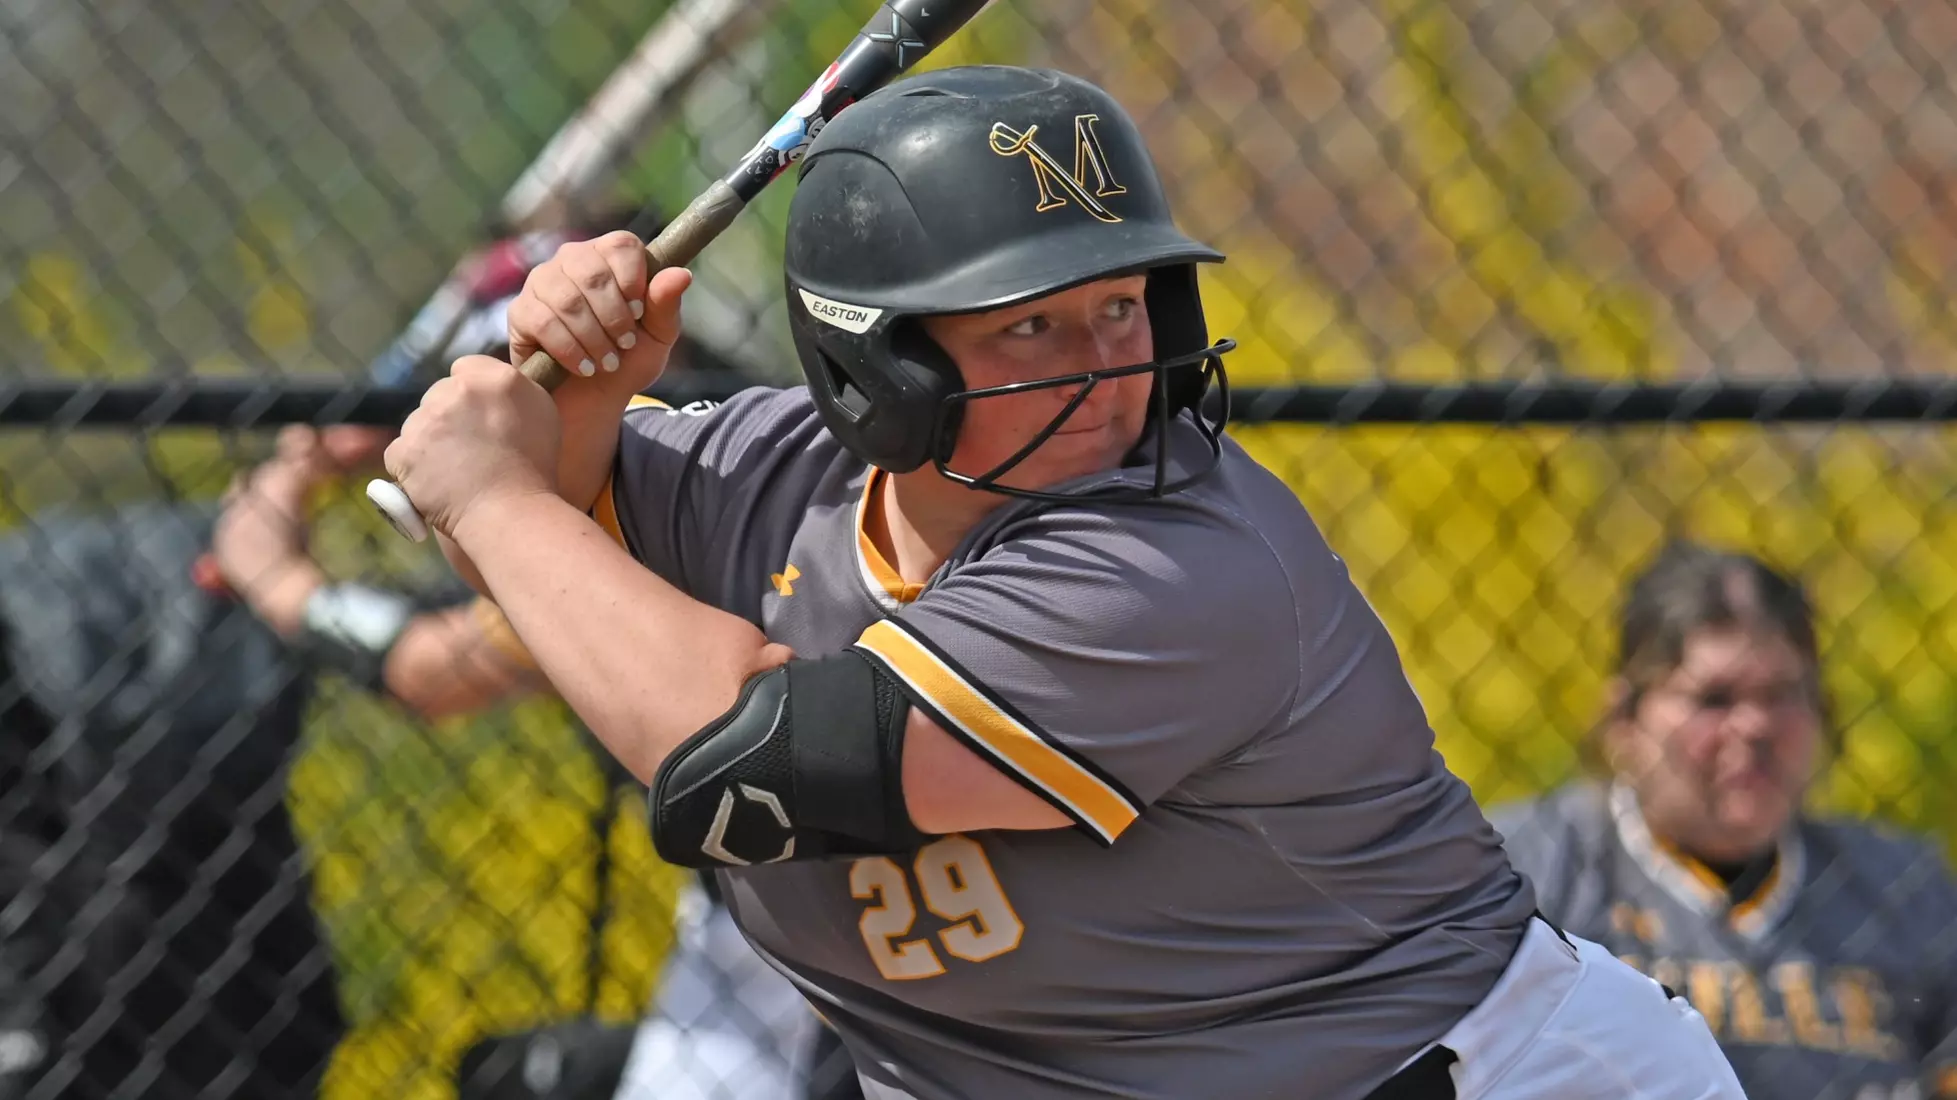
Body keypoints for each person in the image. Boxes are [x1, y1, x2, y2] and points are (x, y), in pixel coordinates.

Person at [381, 64, 1748, 1099]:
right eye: (1030, 323)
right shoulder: (766, 475)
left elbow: (751, 767)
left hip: (1455, 1074)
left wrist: (496, 486)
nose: (1105, 364)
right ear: (880, 367)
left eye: (1119, 304)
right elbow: (544, 560)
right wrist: (571, 401)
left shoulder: (1172, 560)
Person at [211, 216, 856, 1100]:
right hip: (757, 921)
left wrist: (280, 580)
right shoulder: (748, 453)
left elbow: (428, 667)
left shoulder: (664, 505)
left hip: (821, 934)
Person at [1490, 541, 1957, 1100]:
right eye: (1714, 698)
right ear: (1625, 720)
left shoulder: (1904, 887)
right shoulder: (1527, 871)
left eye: (1782, 693)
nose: (1755, 726)